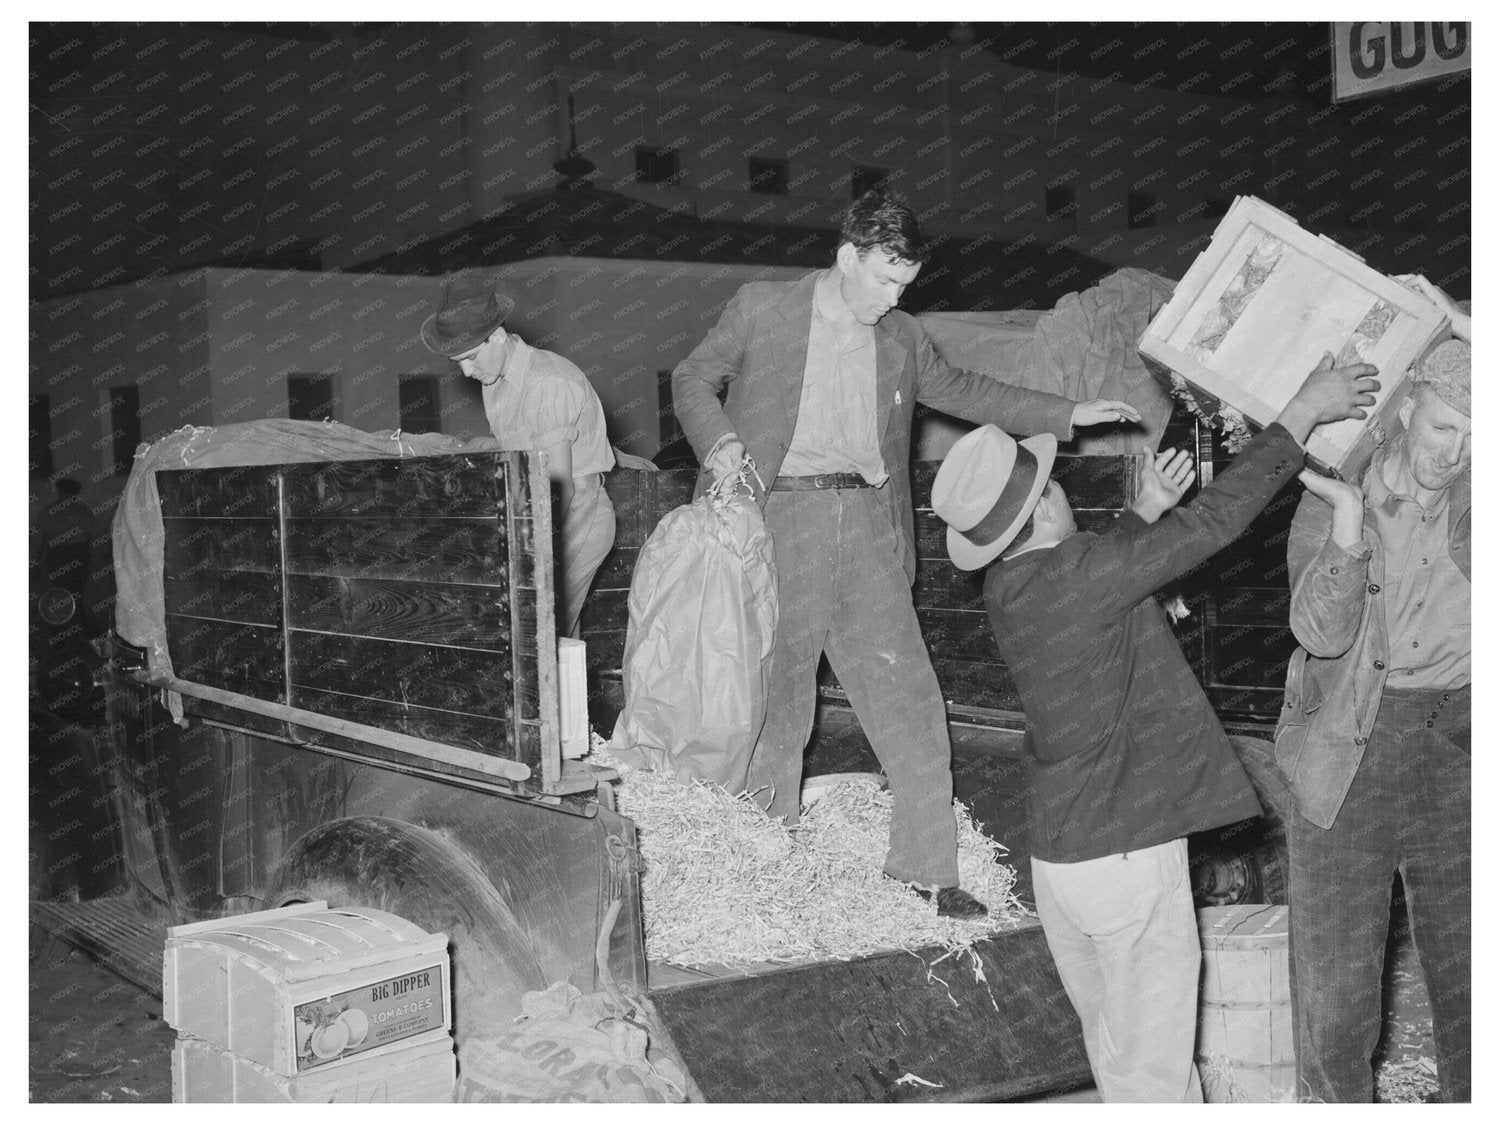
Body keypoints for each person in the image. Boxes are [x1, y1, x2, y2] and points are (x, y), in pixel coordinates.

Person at [672, 189, 1142, 918]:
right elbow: (692, 378)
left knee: (911, 698)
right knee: (778, 703)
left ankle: (924, 871)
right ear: (847, 257)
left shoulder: (902, 336)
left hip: (867, 524)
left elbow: (965, 389)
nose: (894, 298)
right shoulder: (763, 308)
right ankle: (766, 870)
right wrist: (721, 441)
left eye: (906, 284)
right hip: (781, 517)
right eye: (885, 280)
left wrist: (1067, 413)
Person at [933, 354, 1378, 1099]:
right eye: (1055, 485)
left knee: (1124, 1059)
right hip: (1126, 856)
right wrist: (1301, 410)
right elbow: (1212, 521)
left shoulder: (1008, 587)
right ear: (1043, 509)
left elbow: (1090, 571)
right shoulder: (1081, 576)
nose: (1064, 492)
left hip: (1063, 864)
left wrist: (1141, 514)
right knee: (1156, 1079)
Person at [1276, 336, 1470, 1102]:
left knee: (1472, 978)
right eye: (1444, 427)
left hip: (1459, 748)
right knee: (1336, 992)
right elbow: (1320, 634)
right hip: (1348, 746)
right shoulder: (1333, 495)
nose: (1454, 454)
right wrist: (1350, 527)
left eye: (1475, 439)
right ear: (1407, 406)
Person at [422, 278, 616, 637]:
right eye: (456, 362)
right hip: (538, 514)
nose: (466, 372)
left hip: (576, 514)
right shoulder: (495, 381)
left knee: (542, 633)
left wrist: (528, 553)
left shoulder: (546, 382)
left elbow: (559, 489)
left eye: (470, 357)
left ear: (497, 337)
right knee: (545, 636)